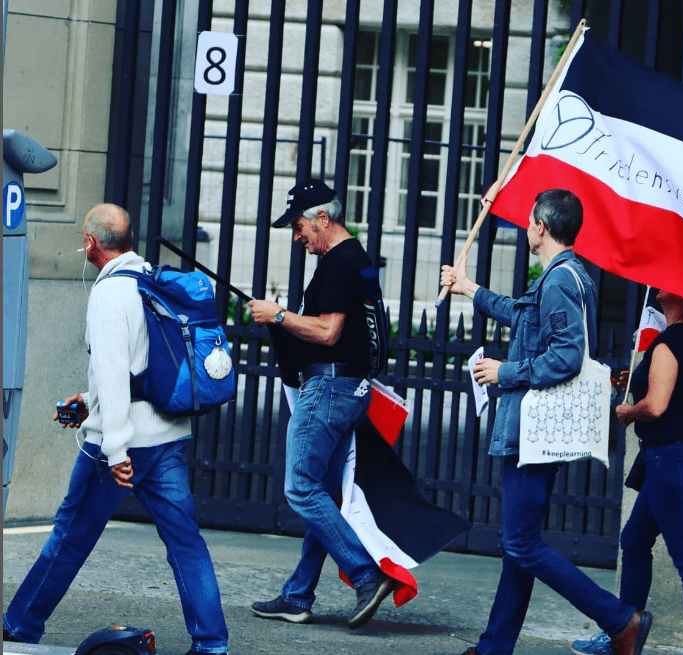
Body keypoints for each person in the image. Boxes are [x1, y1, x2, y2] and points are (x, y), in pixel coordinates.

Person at [2, 204, 229, 655]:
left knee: (69, 536)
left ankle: (21, 627)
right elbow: (142, 368)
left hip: (122, 442)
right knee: (185, 543)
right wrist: (86, 402)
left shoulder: (108, 295)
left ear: (90, 243)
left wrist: (117, 449)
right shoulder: (149, 279)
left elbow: (112, 373)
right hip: (168, 435)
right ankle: (212, 645)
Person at [440, 189, 651, 655]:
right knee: (521, 544)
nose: (524, 226)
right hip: (535, 431)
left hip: (532, 433)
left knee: (522, 544)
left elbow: (567, 356)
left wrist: (505, 371)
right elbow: (523, 315)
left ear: (539, 224)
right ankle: (495, 646)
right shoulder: (565, 275)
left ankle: (620, 619)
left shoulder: (560, 280)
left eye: (528, 219)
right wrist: (470, 288)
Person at [248, 179, 395, 630]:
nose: (298, 237)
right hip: (349, 389)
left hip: (329, 390)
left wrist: (277, 314)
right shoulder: (360, 261)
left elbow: (329, 332)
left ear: (323, 219)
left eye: (299, 226)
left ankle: (367, 574)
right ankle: (297, 595)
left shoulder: (338, 263)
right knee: (322, 492)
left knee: (300, 487)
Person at [571, 291, 683, 655]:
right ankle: (623, 629)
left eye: (667, 283)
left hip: (670, 462)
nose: (658, 287)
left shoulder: (671, 341)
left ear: (682, 297)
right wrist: (637, 378)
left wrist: (628, 412)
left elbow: (655, 407)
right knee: (635, 541)